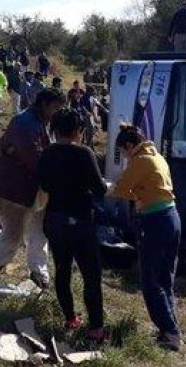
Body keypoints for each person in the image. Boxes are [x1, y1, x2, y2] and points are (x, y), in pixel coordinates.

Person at [0, 89, 67, 288]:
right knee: (14, 234)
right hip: (14, 190)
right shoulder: (25, 123)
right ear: (44, 104)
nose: (58, 112)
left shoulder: (42, 122)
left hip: (33, 189)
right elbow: (35, 159)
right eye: (55, 108)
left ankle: (38, 272)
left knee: (39, 231)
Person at [37, 109, 108, 341]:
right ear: (78, 131)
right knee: (91, 275)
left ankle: (70, 318)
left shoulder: (47, 153)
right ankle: (96, 328)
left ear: (55, 130)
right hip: (80, 221)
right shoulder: (84, 153)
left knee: (62, 270)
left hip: (55, 219)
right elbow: (99, 189)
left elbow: (44, 186)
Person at [112, 125, 183, 351]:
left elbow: (122, 189)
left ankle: (170, 332)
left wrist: (105, 188)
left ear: (130, 146)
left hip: (154, 221)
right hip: (171, 216)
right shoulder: (157, 157)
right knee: (165, 277)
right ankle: (170, 328)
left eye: (123, 152)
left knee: (150, 280)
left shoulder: (140, 160)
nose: (124, 156)